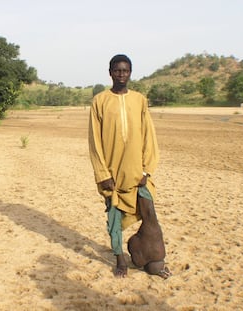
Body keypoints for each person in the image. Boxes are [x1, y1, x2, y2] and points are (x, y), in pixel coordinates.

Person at [88, 54, 171, 279]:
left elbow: (148, 136)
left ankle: (148, 254)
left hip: (138, 173)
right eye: (117, 70)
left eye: (125, 70)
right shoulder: (100, 101)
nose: (121, 74)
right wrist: (103, 174)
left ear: (130, 73)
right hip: (113, 174)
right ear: (110, 73)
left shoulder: (139, 100)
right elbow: (95, 142)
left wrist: (146, 170)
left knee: (150, 214)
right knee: (114, 221)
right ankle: (120, 260)